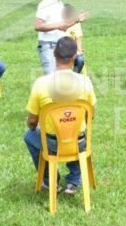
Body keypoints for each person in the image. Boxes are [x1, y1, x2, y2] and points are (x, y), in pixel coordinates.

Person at [24, 36, 97, 196]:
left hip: (51, 145)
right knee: (76, 132)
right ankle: (74, 181)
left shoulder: (40, 84)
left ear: (54, 54)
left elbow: (32, 121)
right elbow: (90, 115)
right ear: (74, 58)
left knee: (30, 136)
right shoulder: (85, 82)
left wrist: (34, 127)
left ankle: (50, 181)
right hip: (79, 143)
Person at [35, 0, 88, 75]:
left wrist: (77, 20)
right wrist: (58, 26)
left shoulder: (59, 4)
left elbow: (64, 25)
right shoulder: (45, 4)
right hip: (48, 46)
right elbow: (38, 26)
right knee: (51, 78)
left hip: (60, 46)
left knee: (62, 76)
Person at [63, 4, 86, 73]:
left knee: (80, 60)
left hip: (72, 51)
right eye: (66, 12)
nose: (68, 14)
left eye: (69, 12)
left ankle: (74, 75)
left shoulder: (76, 24)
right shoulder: (57, 23)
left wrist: (79, 52)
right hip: (59, 50)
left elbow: (78, 41)